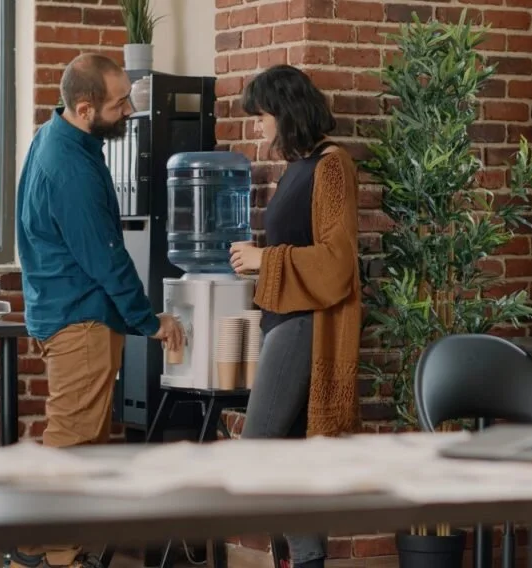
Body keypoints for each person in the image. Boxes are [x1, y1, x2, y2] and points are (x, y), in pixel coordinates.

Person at [13, 53, 185, 568]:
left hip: (60, 309)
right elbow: (108, 258)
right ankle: (62, 556)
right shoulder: (72, 171)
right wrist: (150, 321)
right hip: (80, 318)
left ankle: (35, 546)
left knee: (73, 432)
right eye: (119, 103)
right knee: (76, 441)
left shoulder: (56, 133)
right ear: (85, 108)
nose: (129, 110)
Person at [229, 64, 362, 568]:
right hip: (283, 319)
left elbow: (336, 262)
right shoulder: (298, 167)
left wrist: (267, 259)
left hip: (307, 324)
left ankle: (303, 560)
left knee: (260, 448)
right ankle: (303, 559)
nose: (258, 126)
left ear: (284, 113)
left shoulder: (331, 165)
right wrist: (261, 255)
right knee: (286, 451)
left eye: (261, 116)